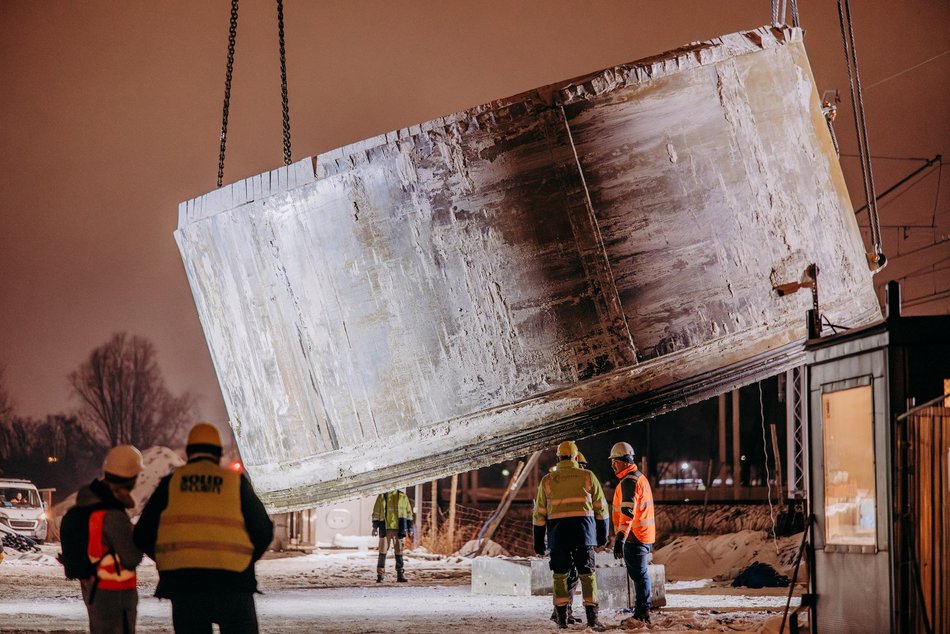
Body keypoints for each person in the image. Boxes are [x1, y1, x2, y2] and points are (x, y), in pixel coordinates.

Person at [134, 422, 273, 634]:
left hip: (185, 585)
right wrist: (243, 560)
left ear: (189, 453)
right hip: (232, 582)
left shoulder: (171, 483)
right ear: (218, 453)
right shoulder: (235, 483)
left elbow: (142, 534)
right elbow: (263, 530)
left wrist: (169, 559)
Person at [533, 441, 609, 630]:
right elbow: (602, 509)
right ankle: (592, 619)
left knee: (559, 577)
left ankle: (561, 619)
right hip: (584, 535)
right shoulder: (588, 476)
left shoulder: (547, 480)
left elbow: (539, 514)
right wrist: (602, 535)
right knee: (587, 576)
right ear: (576, 457)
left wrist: (538, 541)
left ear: (558, 458)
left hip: (558, 537)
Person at [75, 445, 145, 634]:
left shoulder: (89, 501)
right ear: (130, 478)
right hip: (115, 593)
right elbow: (131, 557)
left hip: (94, 587)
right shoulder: (113, 513)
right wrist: (136, 535)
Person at [609, 441, 656, 622]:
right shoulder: (638, 477)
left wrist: (620, 538)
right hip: (643, 534)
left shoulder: (629, 481)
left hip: (635, 536)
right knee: (639, 574)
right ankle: (642, 609)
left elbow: (627, 512)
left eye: (616, 461)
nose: (613, 465)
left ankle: (642, 612)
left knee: (639, 574)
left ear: (626, 460)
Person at [371, 489, 414, 583]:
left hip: (399, 529)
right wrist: (375, 527)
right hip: (385, 528)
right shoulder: (381, 496)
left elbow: (408, 513)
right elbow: (376, 512)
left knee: (399, 552)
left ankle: (400, 574)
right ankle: (380, 575)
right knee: (382, 552)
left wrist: (410, 527)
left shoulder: (402, 496)